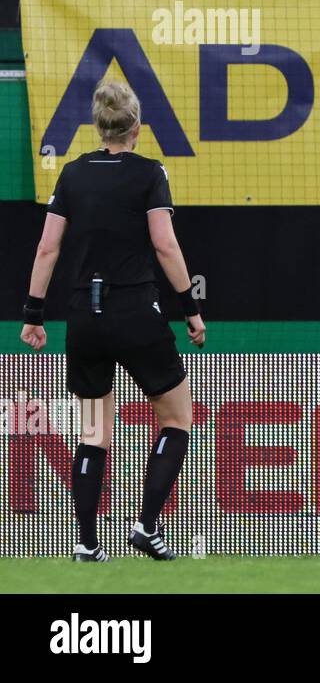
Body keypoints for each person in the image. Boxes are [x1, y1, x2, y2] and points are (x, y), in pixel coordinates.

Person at [19, 80, 205, 562]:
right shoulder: (149, 173)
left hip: (85, 315)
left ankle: (86, 544)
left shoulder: (73, 174)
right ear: (137, 128)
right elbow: (165, 245)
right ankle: (145, 526)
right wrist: (190, 308)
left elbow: (47, 248)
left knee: (94, 431)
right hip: (135, 312)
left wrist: (34, 314)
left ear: (98, 127)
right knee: (177, 418)